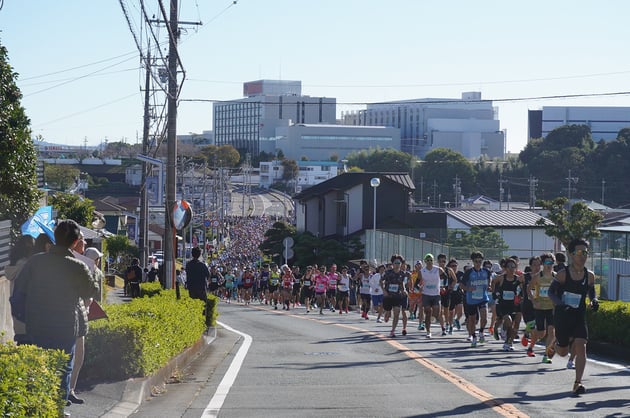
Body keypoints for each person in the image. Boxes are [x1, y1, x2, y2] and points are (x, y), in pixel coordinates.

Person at [11, 219, 99, 410]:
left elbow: (18, 293)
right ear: (75, 242)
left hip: (36, 324)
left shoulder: (35, 262)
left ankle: (36, 408)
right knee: (62, 368)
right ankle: (57, 409)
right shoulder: (78, 266)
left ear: (55, 237)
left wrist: (22, 317)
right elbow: (90, 291)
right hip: (65, 327)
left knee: (38, 366)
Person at [548, 238, 598, 396]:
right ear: (571, 254)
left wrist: (594, 300)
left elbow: (591, 291)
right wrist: (559, 304)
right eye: (579, 252)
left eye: (585, 252)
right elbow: (551, 292)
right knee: (563, 353)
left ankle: (578, 383)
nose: (582, 256)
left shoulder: (589, 275)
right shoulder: (563, 275)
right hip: (563, 317)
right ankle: (555, 344)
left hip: (578, 316)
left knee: (581, 345)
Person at [68, 246, 103, 405]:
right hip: (73, 316)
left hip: (81, 316)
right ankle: (66, 392)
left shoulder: (89, 270)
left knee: (77, 357)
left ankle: (70, 390)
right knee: (72, 356)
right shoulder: (79, 267)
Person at [527, 252, 556, 363]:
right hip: (540, 308)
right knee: (541, 333)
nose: (549, 265)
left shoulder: (556, 276)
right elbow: (528, 289)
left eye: (551, 262)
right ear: (543, 264)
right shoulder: (537, 276)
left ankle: (546, 355)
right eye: (547, 262)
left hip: (551, 308)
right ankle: (531, 333)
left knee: (551, 331)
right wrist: (534, 301)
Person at [5, 235, 34, 344]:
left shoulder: (14, 264)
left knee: (21, 339)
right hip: (27, 307)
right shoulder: (27, 265)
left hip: (16, 305)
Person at [460, 251, 491, 347]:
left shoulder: (486, 272)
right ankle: (473, 336)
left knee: (484, 318)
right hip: (471, 299)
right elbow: (461, 285)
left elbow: (489, 280)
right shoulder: (469, 272)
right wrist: (468, 289)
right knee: (472, 320)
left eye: (480, 261)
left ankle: (481, 331)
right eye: (476, 261)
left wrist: (489, 286)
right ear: (473, 262)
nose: (478, 263)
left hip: (483, 298)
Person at [418, 253, 446, 339]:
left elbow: (446, 278)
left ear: (433, 261)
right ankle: (428, 331)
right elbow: (417, 283)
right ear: (425, 261)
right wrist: (419, 287)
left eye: (431, 260)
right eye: (428, 260)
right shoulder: (422, 271)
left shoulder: (438, 269)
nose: (429, 262)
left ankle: (434, 319)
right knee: (427, 312)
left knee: (436, 312)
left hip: (436, 294)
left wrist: (443, 287)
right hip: (426, 294)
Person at [380, 254, 408, 337]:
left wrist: (404, 291)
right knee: (388, 310)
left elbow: (402, 284)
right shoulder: (388, 272)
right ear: (392, 264)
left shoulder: (402, 274)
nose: (397, 264)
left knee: (396, 313)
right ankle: (387, 313)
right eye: (395, 263)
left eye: (399, 263)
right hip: (388, 296)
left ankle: (392, 330)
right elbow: (381, 281)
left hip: (397, 296)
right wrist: (384, 290)